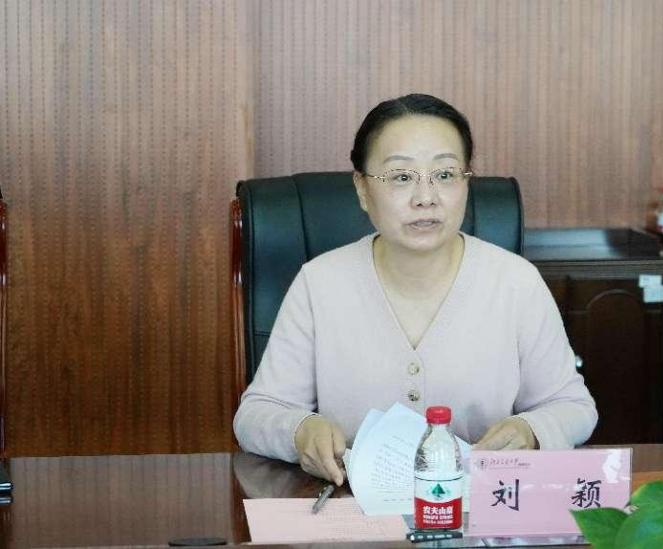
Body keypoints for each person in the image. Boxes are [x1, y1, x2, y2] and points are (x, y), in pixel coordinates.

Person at [233, 93, 597, 486]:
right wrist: (300, 430)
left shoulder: (516, 282)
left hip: (477, 506)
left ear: (466, 182)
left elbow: (572, 407)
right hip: (353, 504)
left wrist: (531, 429)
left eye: (445, 175)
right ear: (362, 189)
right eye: (402, 177)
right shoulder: (320, 283)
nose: (426, 198)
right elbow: (256, 414)